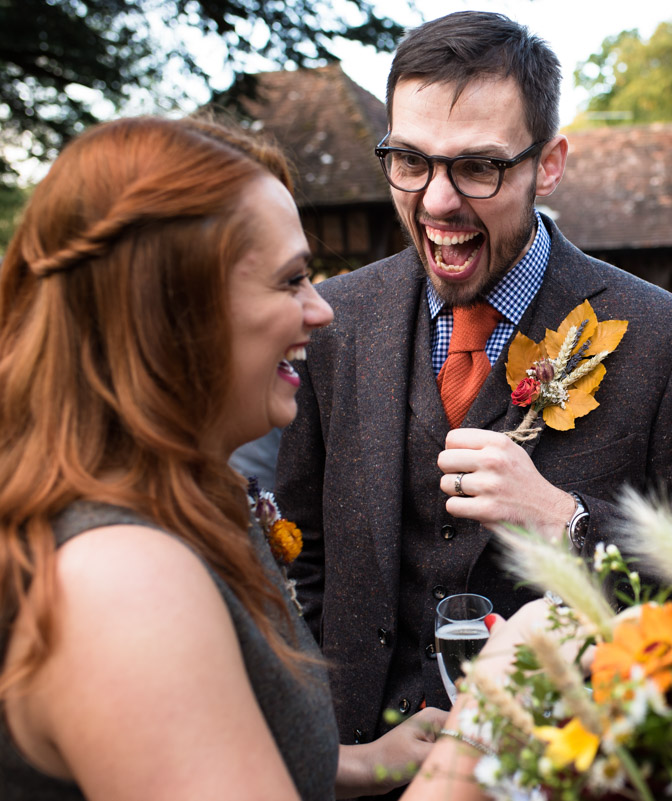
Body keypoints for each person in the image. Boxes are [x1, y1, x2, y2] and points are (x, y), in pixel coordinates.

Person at [274, 9, 672, 761]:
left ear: (549, 163)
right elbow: (303, 558)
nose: (436, 201)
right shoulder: (337, 323)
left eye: (478, 167)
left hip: (572, 764)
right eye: (409, 160)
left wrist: (564, 519)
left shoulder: (667, 338)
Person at [0, 114, 511, 800]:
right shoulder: (123, 580)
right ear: (174, 313)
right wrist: (498, 708)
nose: (322, 310)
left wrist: (361, 762)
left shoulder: (186, 496)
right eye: (291, 280)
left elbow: (195, 738)